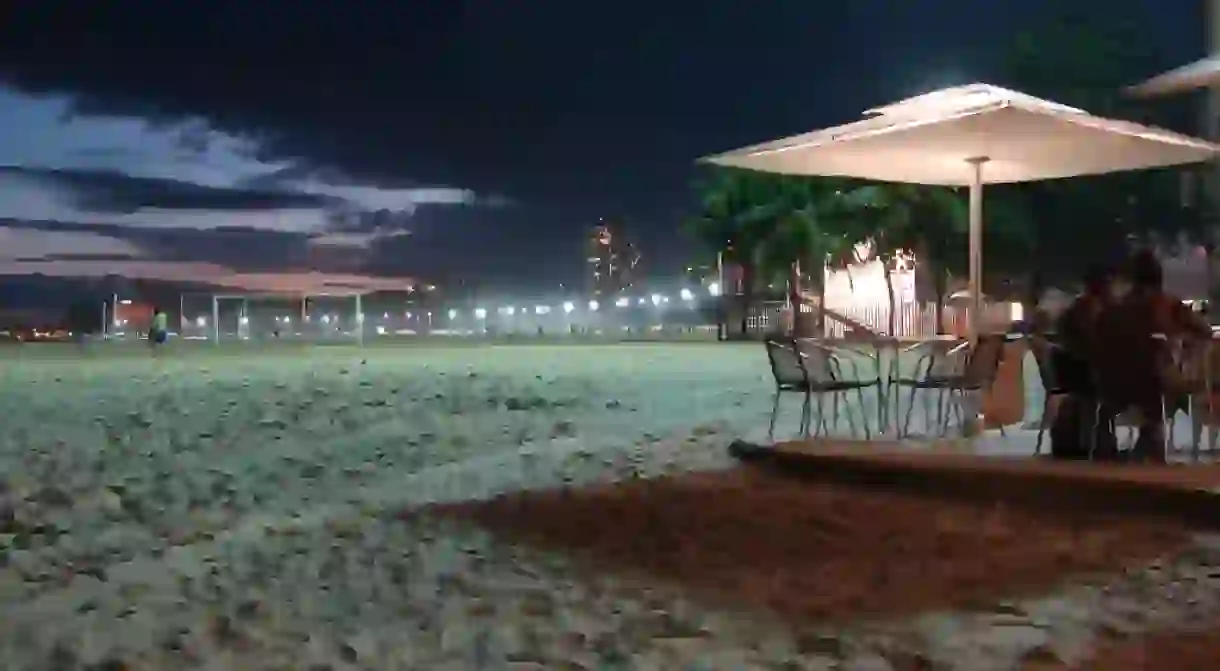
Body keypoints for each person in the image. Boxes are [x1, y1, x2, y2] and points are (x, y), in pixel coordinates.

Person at [1094, 249, 1211, 462]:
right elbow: (1204, 331)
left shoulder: (1113, 309)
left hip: (1110, 383)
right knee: (1181, 386)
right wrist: (1182, 344)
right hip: (1150, 382)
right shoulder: (1167, 305)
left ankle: (1133, 436)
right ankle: (1151, 434)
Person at [1047, 265, 1112, 459]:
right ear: (1101, 287)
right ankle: (1100, 444)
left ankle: (1099, 442)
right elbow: (1093, 347)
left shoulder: (1076, 309)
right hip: (1083, 375)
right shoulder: (1090, 311)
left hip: (1069, 374)